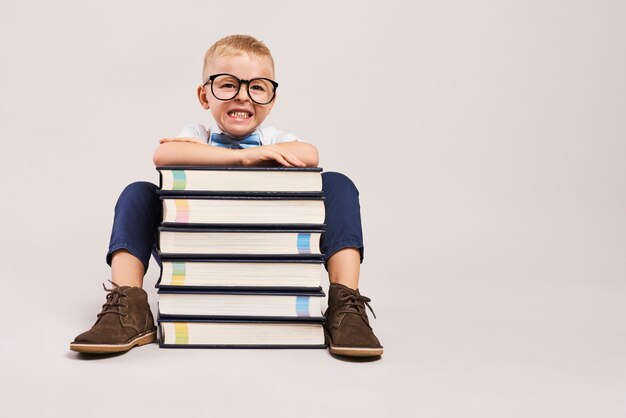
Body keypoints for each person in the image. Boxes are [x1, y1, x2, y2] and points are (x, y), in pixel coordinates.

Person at [70, 34, 383, 357]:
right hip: (193, 250)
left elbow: (310, 153)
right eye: (227, 85)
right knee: (138, 192)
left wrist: (223, 155)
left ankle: (345, 306)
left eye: (257, 87)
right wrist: (242, 158)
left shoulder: (275, 138)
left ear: (272, 100)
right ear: (204, 96)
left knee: (337, 183)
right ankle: (129, 304)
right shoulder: (197, 134)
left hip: (271, 253)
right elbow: (163, 156)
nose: (242, 97)